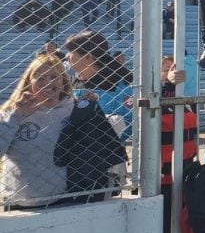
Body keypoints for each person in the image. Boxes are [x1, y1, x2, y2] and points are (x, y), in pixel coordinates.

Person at [0, 53, 124, 208]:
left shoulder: (75, 110)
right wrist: (16, 115)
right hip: (21, 203)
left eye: (54, 77)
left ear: (64, 81)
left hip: (66, 200)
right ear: (29, 82)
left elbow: (104, 145)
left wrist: (91, 112)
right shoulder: (12, 112)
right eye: (41, 77)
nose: (48, 83)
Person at [158, 56, 197, 233]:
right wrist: (168, 85)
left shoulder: (184, 97)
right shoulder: (155, 94)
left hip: (184, 173)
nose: (171, 71)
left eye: (173, 67)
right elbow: (155, 110)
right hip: (162, 178)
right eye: (165, 69)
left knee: (176, 232)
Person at [64, 30, 133, 143]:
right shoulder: (73, 83)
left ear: (87, 56)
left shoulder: (118, 85)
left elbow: (130, 121)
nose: (66, 56)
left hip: (103, 153)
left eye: (71, 52)